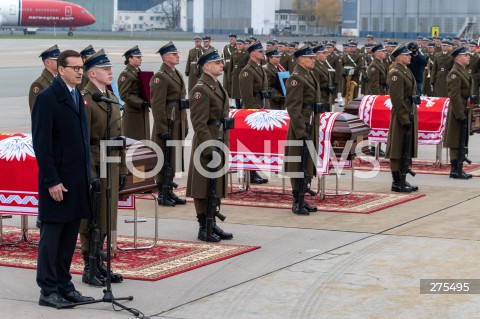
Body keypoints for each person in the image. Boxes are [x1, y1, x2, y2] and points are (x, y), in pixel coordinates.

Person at [32, 50, 94, 308]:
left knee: (69, 236)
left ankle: (64, 285)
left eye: (81, 67)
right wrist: (51, 180)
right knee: (52, 237)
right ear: (61, 70)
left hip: (76, 179)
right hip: (57, 182)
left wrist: (86, 176)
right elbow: (42, 144)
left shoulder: (76, 94)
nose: (80, 71)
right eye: (75, 67)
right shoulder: (47, 98)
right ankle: (48, 290)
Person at [79, 49, 126, 287]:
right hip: (96, 162)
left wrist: (124, 168)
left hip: (112, 162)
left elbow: (120, 135)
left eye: (110, 68)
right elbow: (83, 141)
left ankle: (99, 262)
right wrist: (89, 173)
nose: (110, 72)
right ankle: (89, 265)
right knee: (92, 218)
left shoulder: (109, 95)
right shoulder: (85, 98)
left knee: (107, 215)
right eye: (106, 69)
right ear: (92, 72)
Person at [186, 49, 233, 242]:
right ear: (206, 66)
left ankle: (211, 222)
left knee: (216, 184)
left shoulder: (215, 85)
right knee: (203, 186)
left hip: (219, 139)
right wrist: (209, 149)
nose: (221, 65)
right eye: (217, 63)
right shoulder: (200, 89)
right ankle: (203, 226)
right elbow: (199, 123)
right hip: (207, 143)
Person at [283, 45, 321, 215]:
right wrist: (301, 131)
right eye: (310, 58)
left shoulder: (308, 74)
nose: (313, 60)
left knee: (306, 162)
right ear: (300, 59)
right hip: (301, 126)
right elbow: (293, 107)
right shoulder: (296, 78)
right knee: (298, 162)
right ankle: (296, 201)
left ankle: (302, 198)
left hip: (310, 123)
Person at [150, 42, 188, 206]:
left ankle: (169, 191)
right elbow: (157, 105)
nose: (177, 56)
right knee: (164, 158)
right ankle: (162, 194)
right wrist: (162, 128)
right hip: (168, 123)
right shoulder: (160, 76)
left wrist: (184, 125)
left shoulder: (175, 73)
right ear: (166, 57)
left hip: (177, 121)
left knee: (172, 159)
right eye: (174, 54)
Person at [385, 44, 419, 193]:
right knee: (398, 147)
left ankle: (402, 177)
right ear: (399, 57)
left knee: (405, 147)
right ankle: (397, 181)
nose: (410, 56)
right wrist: (404, 118)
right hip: (401, 113)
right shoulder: (396, 73)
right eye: (407, 54)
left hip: (408, 110)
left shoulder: (405, 70)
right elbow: (397, 99)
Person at [239, 41, 270, 184]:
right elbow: (246, 95)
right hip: (253, 110)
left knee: (257, 143)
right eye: (260, 52)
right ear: (252, 54)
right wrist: (252, 112)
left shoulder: (260, 68)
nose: (263, 54)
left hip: (261, 108)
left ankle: (254, 171)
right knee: (251, 143)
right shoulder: (247, 70)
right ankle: (250, 173)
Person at [444, 46, 473, 179]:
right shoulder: (454, 73)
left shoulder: (463, 71)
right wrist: (460, 114)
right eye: (465, 55)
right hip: (458, 110)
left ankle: (459, 167)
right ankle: (455, 169)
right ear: (458, 58)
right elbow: (454, 96)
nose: (468, 57)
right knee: (456, 139)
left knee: (461, 139)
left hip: (464, 108)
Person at [118, 45, 150, 141]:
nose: (141, 59)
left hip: (142, 111)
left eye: (141, 57)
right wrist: (141, 102)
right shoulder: (126, 74)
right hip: (133, 113)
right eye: (138, 57)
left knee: (143, 141)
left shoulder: (138, 71)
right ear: (130, 59)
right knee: (133, 140)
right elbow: (124, 95)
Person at [29, 45, 60, 112]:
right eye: (57, 60)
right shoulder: (39, 84)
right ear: (47, 62)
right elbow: (37, 113)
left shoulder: (61, 80)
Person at [229, 38, 248, 109]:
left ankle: (242, 106)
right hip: (235, 75)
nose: (239, 46)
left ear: (244, 45)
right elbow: (230, 66)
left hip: (243, 74)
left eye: (240, 44)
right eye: (237, 44)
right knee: (236, 93)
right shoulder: (233, 53)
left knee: (243, 92)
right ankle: (237, 107)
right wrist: (229, 77)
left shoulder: (246, 53)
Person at [312, 44, 332, 110]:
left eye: (326, 53)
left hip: (325, 98)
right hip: (320, 99)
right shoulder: (314, 67)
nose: (326, 55)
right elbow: (314, 87)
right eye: (324, 53)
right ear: (316, 55)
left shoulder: (322, 65)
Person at [222, 33, 237, 98]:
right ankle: (227, 98)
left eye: (232, 39)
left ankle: (234, 99)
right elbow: (222, 58)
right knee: (226, 84)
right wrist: (223, 66)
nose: (231, 40)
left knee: (234, 83)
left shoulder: (237, 47)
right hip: (227, 67)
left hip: (234, 67)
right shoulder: (226, 47)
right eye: (230, 39)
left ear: (235, 39)